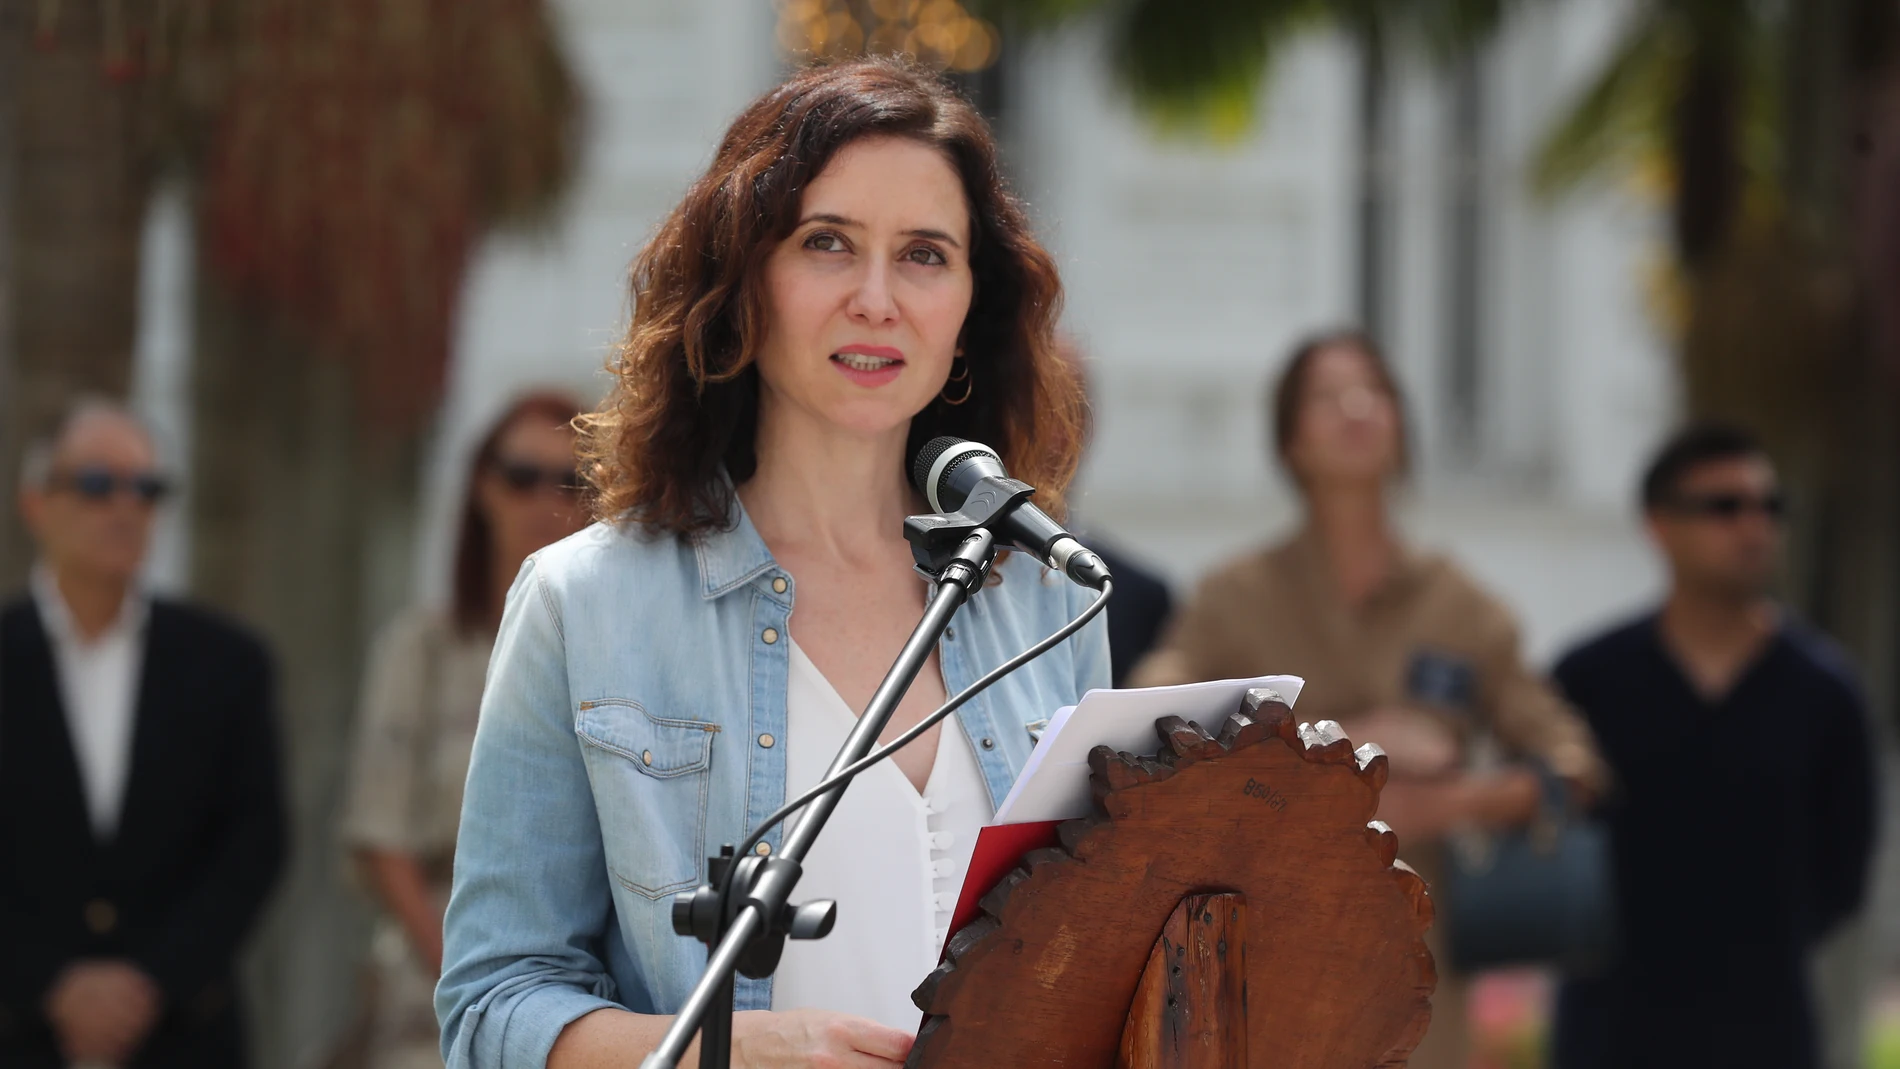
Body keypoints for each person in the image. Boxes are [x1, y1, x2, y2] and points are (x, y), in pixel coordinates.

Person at [436, 58, 1109, 1069]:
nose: (876, 298)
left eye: (924, 255)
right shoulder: (587, 603)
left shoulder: (1049, 598)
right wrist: (726, 1049)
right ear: (743, 282)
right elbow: (491, 1011)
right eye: (826, 243)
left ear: (970, 305)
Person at [1129, 329, 1605, 1069]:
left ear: (1401, 427)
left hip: (1416, 982)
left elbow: (1571, 766)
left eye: (1375, 390)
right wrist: (1344, 741)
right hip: (1262, 979)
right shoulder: (1232, 598)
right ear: (1290, 441)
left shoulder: (1462, 607)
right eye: (1327, 395)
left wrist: (1446, 805)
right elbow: (1146, 716)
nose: (1356, 407)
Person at [1549, 424, 1877, 1069]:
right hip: (1612, 1032)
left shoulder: (1826, 693)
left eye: (1769, 507)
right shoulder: (1589, 680)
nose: (1753, 527)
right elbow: (1547, 838)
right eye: (1724, 507)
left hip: (1768, 1030)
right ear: (1659, 525)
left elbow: (1845, 873)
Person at [0, 398, 287, 1069]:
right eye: (98, 484)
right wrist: (48, 984)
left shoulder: (229, 662)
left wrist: (150, 982)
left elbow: (255, 838)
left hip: (185, 1035)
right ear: (37, 504)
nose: (125, 507)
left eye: (147, 488)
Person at [337, 393, 586, 1069]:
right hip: (434, 991)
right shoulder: (423, 646)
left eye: (571, 479)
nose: (545, 498)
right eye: (521, 475)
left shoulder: (621, 653)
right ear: (482, 486)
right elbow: (380, 837)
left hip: (588, 1001)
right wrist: (472, 977)